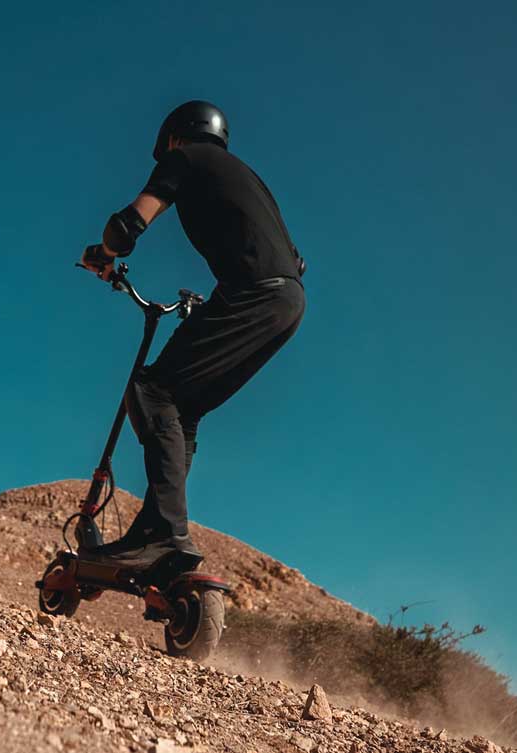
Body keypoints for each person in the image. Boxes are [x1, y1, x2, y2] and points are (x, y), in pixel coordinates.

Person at [78, 100, 307, 571]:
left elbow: (128, 225)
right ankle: (156, 531)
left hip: (252, 295)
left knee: (151, 390)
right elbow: (293, 259)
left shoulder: (185, 160)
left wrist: (103, 252)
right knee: (184, 406)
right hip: (286, 300)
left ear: (175, 137)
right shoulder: (249, 177)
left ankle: (164, 533)